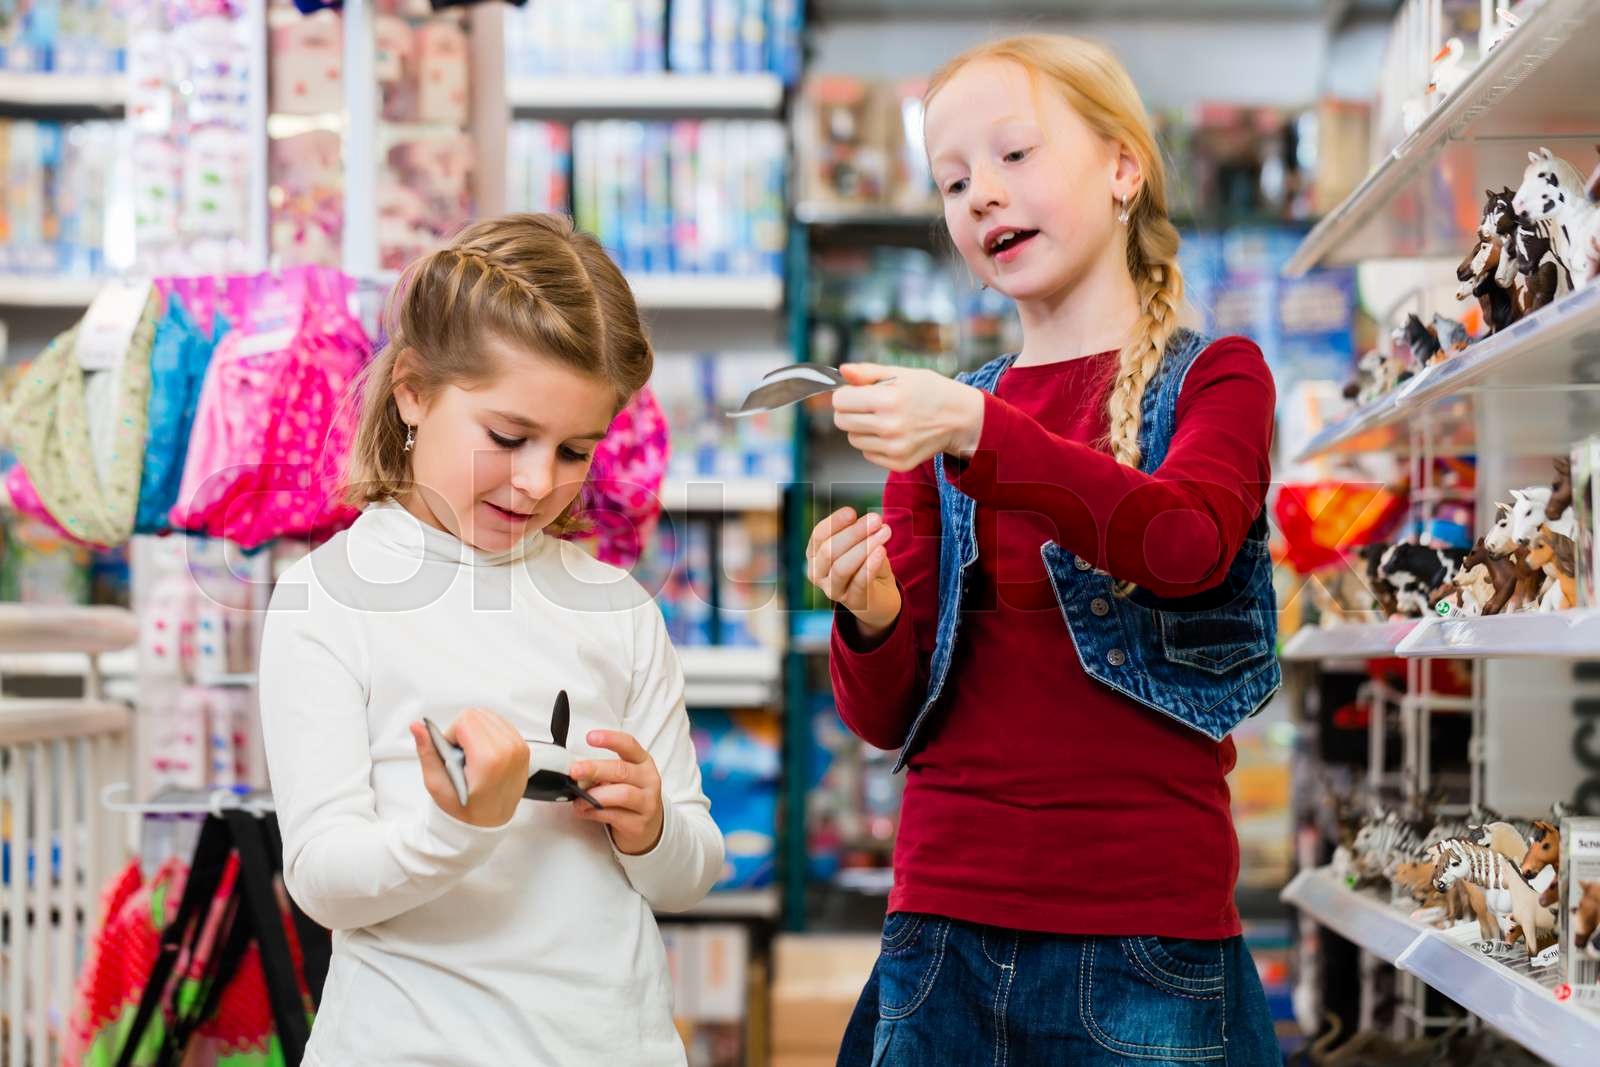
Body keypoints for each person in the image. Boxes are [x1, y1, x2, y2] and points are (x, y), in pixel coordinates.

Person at [806, 35, 1282, 1066]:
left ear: (1123, 168)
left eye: (1014, 154)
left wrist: (980, 433)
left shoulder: (1216, 379)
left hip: (1144, 934)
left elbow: (1185, 541)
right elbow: (885, 713)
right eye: (953, 180)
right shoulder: (944, 420)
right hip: (941, 927)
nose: (981, 193)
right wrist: (867, 609)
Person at [258, 213, 723, 1066]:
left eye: (575, 450)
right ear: (412, 390)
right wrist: (457, 827)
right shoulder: (326, 600)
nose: (538, 480)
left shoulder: (617, 609)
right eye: (508, 437)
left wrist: (652, 825)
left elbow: (690, 871)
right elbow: (322, 881)